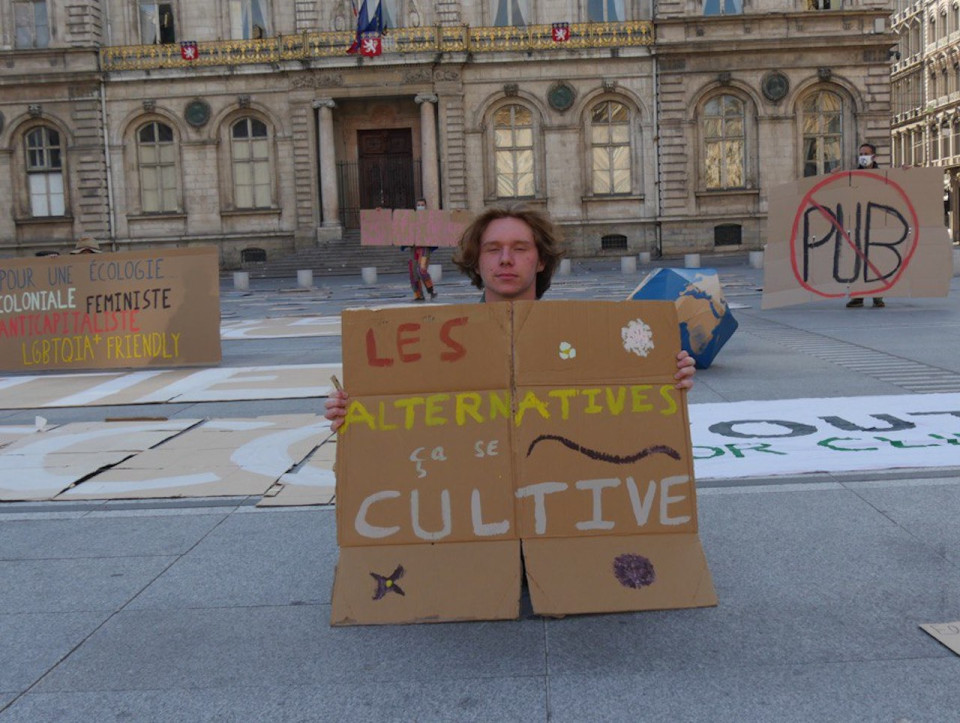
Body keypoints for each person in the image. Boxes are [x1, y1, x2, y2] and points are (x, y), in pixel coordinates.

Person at [325, 203, 697, 430]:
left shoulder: (583, 339)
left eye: (520, 248)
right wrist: (354, 411)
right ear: (476, 259)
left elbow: (623, 417)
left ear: (541, 261)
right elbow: (399, 419)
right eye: (493, 249)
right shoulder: (433, 348)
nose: (506, 259)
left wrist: (665, 376)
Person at [845, 143, 885, 309]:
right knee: (856, 260)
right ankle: (857, 296)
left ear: (874, 156)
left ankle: (877, 295)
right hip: (858, 223)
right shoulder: (853, 175)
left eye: (866, 153)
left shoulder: (883, 175)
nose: (863, 156)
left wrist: (906, 171)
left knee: (877, 259)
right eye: (861, 153)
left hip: (876, 223)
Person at [405, 198, 437, 302]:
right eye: (418, 205)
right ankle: (418, 295)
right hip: (413, 249)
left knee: (421, 270)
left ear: (425, 206)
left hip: (424, 249)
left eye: (422, 205)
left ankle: (431, 290)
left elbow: (441, 224)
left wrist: (458, 211)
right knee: (413, 273)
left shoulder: (431, 218)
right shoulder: (411, 218)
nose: (420, 207)